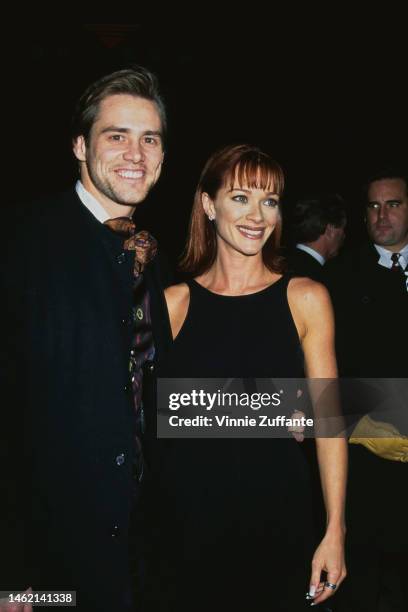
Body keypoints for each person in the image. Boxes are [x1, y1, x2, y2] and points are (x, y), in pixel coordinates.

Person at [144, 144, 347, 611]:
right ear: (208, 205)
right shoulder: (171, 304)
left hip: (280, 522)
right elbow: (151, 417)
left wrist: (335, 530)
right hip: (185, 526)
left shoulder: (305, 297)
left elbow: (330, 421)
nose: (257, 215)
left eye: (270, 200)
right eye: (240, 198)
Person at [1, 67, 171, 612]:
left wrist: (298, 411)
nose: (135, 153)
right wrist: (10, 570)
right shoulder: (21, 242)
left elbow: (157, 393)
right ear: (80, 145)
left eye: (150, 139)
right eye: (116, 135)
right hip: (48, 567)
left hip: (143, 557)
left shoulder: (152, 257)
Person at [328, 169, 408, 611]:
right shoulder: (340, 278)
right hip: (369, 453)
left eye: (393, 203)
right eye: (373, 206)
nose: (382, 215)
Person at [287, 194, 346, 283]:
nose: (344, 236)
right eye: (343, 229)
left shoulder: (279, 264)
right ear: (330, 230)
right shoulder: (320, 280)